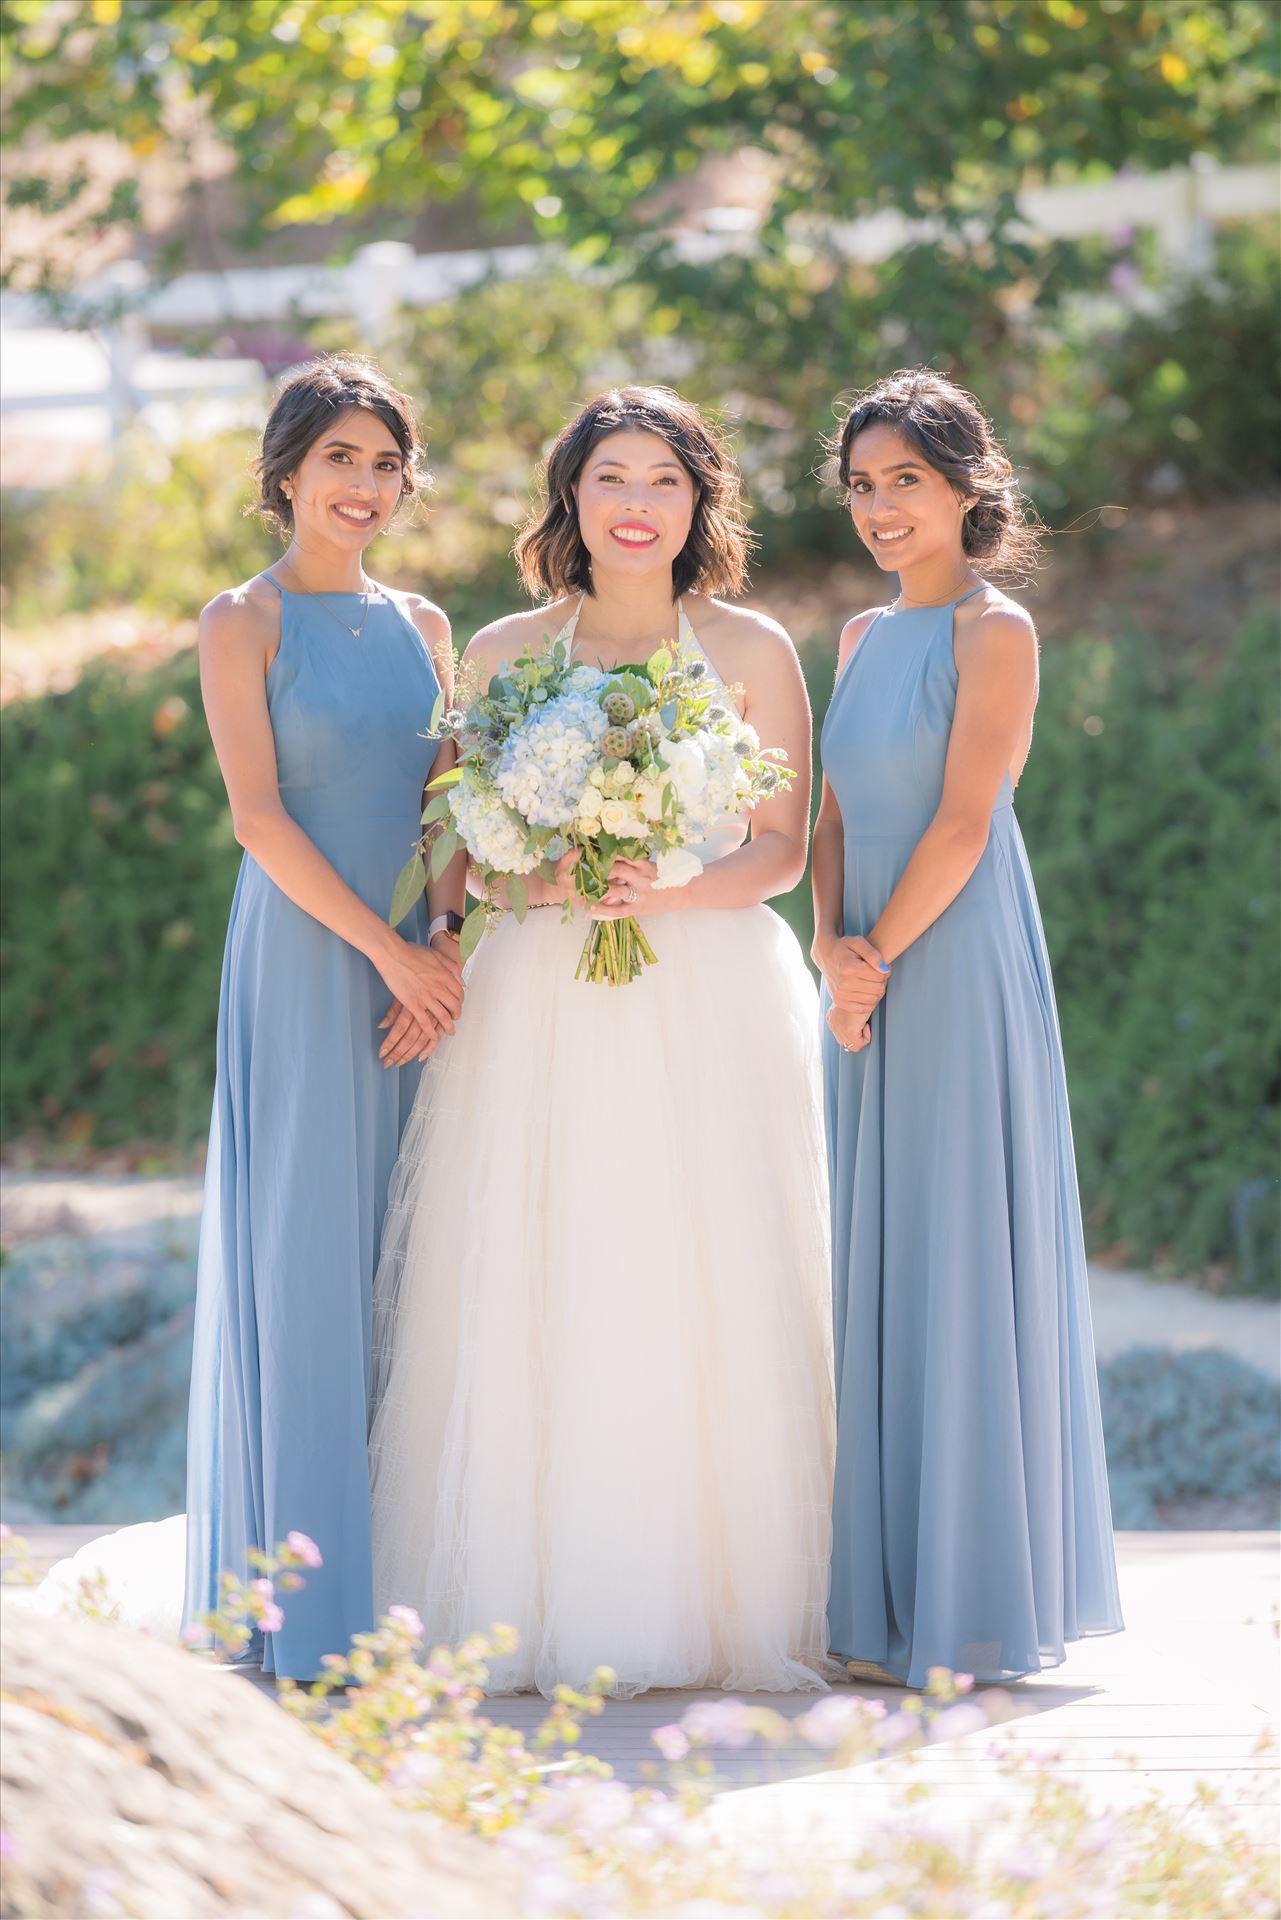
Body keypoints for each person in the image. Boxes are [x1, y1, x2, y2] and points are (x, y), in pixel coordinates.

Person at [369, 386, 835, 1697]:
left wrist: (660, 891)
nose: (637, 505)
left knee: (705, 1267)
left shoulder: (749, 650)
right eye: (610, 479)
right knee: (547, 1261)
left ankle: (717, 1595)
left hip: (710, 992)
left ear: (701, 504)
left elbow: (784, 852)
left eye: (664, 481)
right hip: (540, 1006)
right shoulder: (511, 645)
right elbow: (453, 836)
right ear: (569, 499)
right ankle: (532, 1595)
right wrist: (530, 883)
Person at [35, 357, 467, 1674]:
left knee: (418, 1263)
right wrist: (385, 959)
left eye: (388, 464)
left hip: (423, 968)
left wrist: (441, 942)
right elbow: (259, 820)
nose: (367, 486)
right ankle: (300, 1603)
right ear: (287, 471)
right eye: (343, 457)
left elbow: (452, 807)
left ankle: (411, 1588)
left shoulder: (427, 625)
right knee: (304, 1258)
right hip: (303, 960)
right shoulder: (245, 619)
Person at [812, 368, 1123, 1689]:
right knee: (873, 1257)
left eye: (907, 483)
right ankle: (880, 1598)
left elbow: (961, 819)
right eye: (864, 487)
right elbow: (827, 821)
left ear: (964, 489)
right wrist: (827, 944)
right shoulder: (857, 639)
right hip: (858, 966)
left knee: (950, 1247)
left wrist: (876, 953)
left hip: (952, 953)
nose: (883, 511)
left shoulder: (996, 633)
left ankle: (968, 1602)